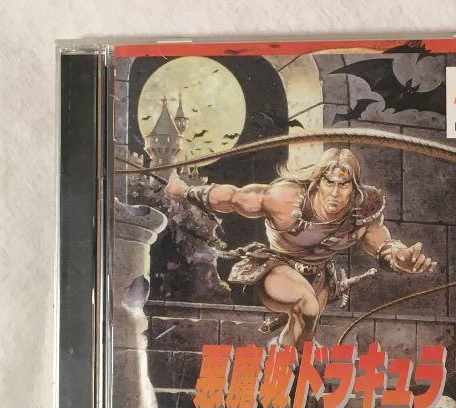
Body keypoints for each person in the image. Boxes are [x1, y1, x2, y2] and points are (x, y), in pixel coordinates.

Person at [162, 147, 436, 347]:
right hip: (276, 268)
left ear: (354, 187)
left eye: (344, 184)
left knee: (303, 341)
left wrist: (398, 257)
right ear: (318, 181)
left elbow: (379, 242)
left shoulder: (364, 208)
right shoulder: (284, 199)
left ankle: (282, 385)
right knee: (307, 306)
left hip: (319, 278)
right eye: (329, 182)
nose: (335, 192)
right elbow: (232, 198)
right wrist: (185, 191)